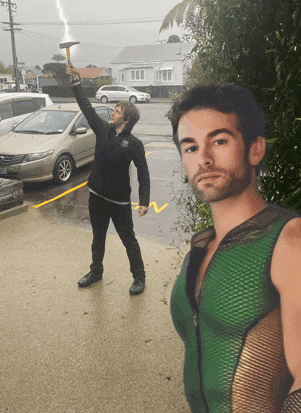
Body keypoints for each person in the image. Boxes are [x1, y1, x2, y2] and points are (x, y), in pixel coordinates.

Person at [167, 83, 301, 412]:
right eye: (191, 148)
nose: (204, 159)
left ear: (255, 149)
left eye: (219, 141)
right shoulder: (200, 247)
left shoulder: (289, 240)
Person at [66, 64, 150, 295]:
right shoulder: (103, 130)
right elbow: (86, 107)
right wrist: (76, 83)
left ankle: (139, 277)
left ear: (127, 118)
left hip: (119, 201)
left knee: (128, 240)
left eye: (117, 111)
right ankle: (96, 272)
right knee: (98, 237)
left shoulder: (134, 144)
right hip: (96, 195)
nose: (112, 113)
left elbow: (143, 173)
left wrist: (144, 200)